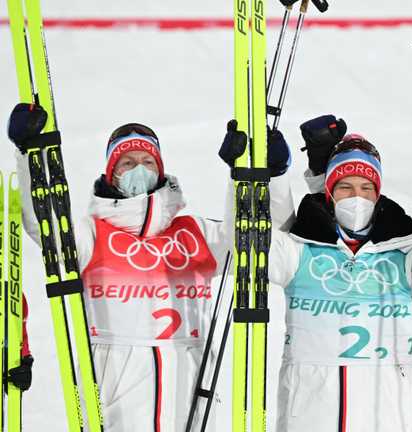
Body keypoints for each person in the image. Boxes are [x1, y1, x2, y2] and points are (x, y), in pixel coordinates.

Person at [7, 103, 291, 430]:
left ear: (160, 170)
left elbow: (261, 243)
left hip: (187, 392)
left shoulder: (195, 233)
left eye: (147, 162)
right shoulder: (91, 235)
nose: (138, 169)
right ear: (111, 173)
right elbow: (46, 226)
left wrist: (263, 176)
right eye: (127, 163)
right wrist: (31, 154)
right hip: (114, 397)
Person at [233, 114, 412, 431]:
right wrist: (260, 176)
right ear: (329, 193)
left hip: (383, 411)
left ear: (378, 194)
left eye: (366, 187)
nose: (357, 197)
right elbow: (251, 242)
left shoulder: (402, 254)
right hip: (309, 412)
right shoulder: (302, 249)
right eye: (345, 187)